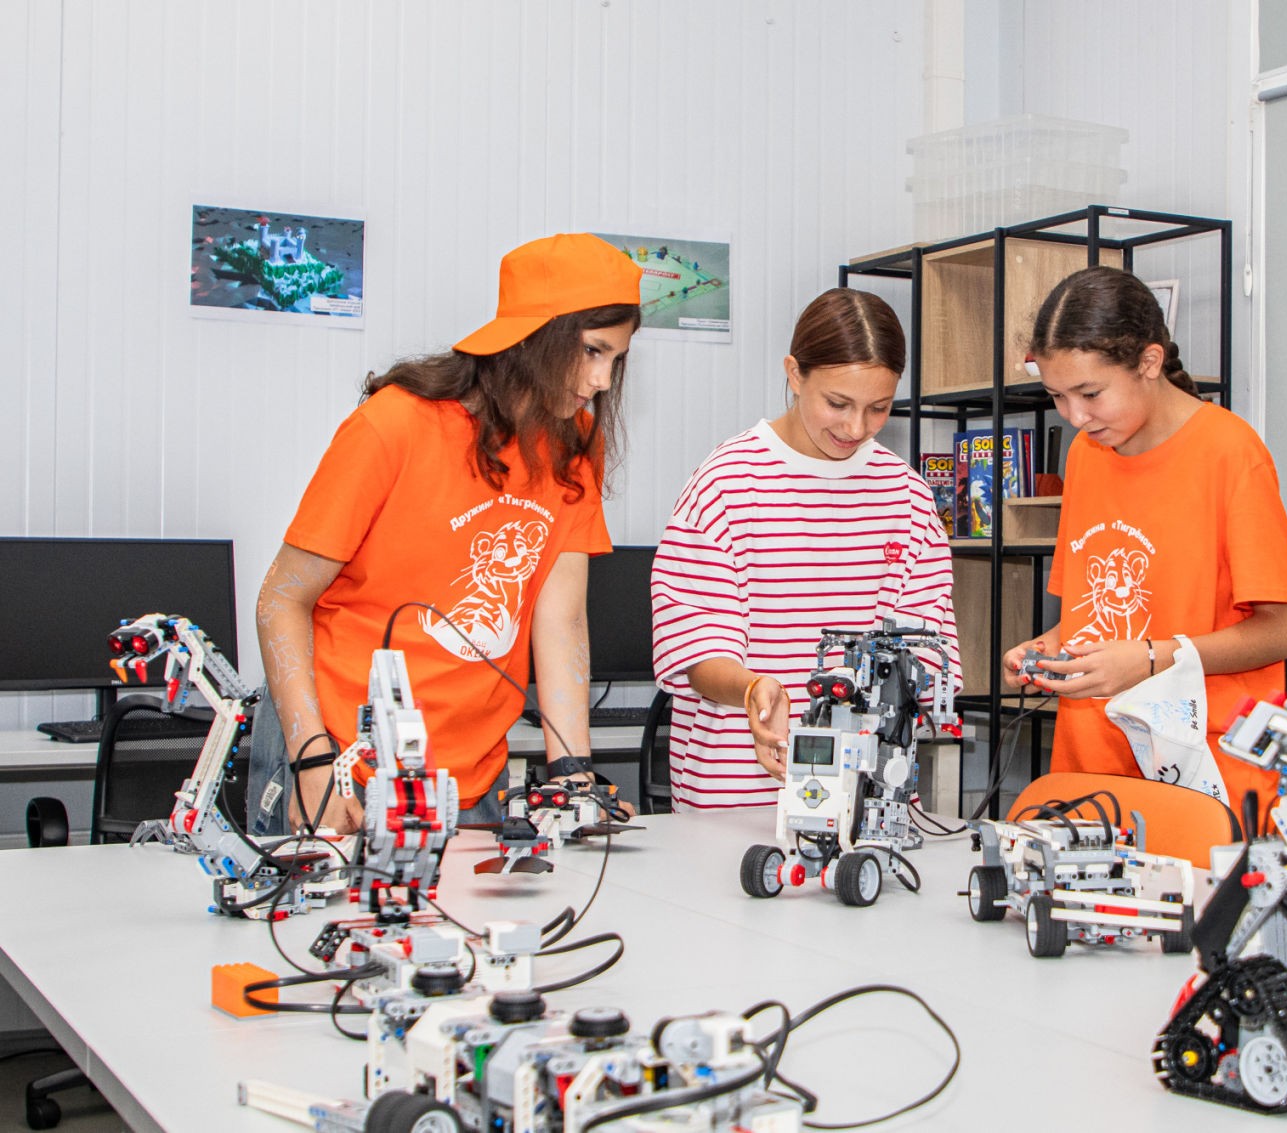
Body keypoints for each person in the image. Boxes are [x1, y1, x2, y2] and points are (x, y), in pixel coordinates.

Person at [248, 233, 642, 835]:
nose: (603, 379)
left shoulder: (575, 443)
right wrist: (311, 759)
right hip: (340, 757)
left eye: (616, 359)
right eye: (592, 351)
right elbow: (280, 599)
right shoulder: (395, 424)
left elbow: (560, 621)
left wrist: (573, 776)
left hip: (472, 772)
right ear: (534, 334)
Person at [1002, 266, 1287, 819]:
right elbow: (1089, 614)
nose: (1075, 417)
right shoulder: (1087, 454)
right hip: (1093, 764)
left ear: (1149, 361)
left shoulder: (1231, 454)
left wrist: (1149, 660)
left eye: (1090, 393)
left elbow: (1285, 631)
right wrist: (1046, 650)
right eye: (1057, 396)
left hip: (1204, 771)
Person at [651, 288, 960, 810]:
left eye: (878, 408)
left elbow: (928, 646)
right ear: (795, 374)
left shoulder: (906, 496)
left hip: (866, 802)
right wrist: (752, 688)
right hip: (736, 797)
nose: (856, 428)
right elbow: (697, 650)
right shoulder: (727, 484)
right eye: (837, 404)